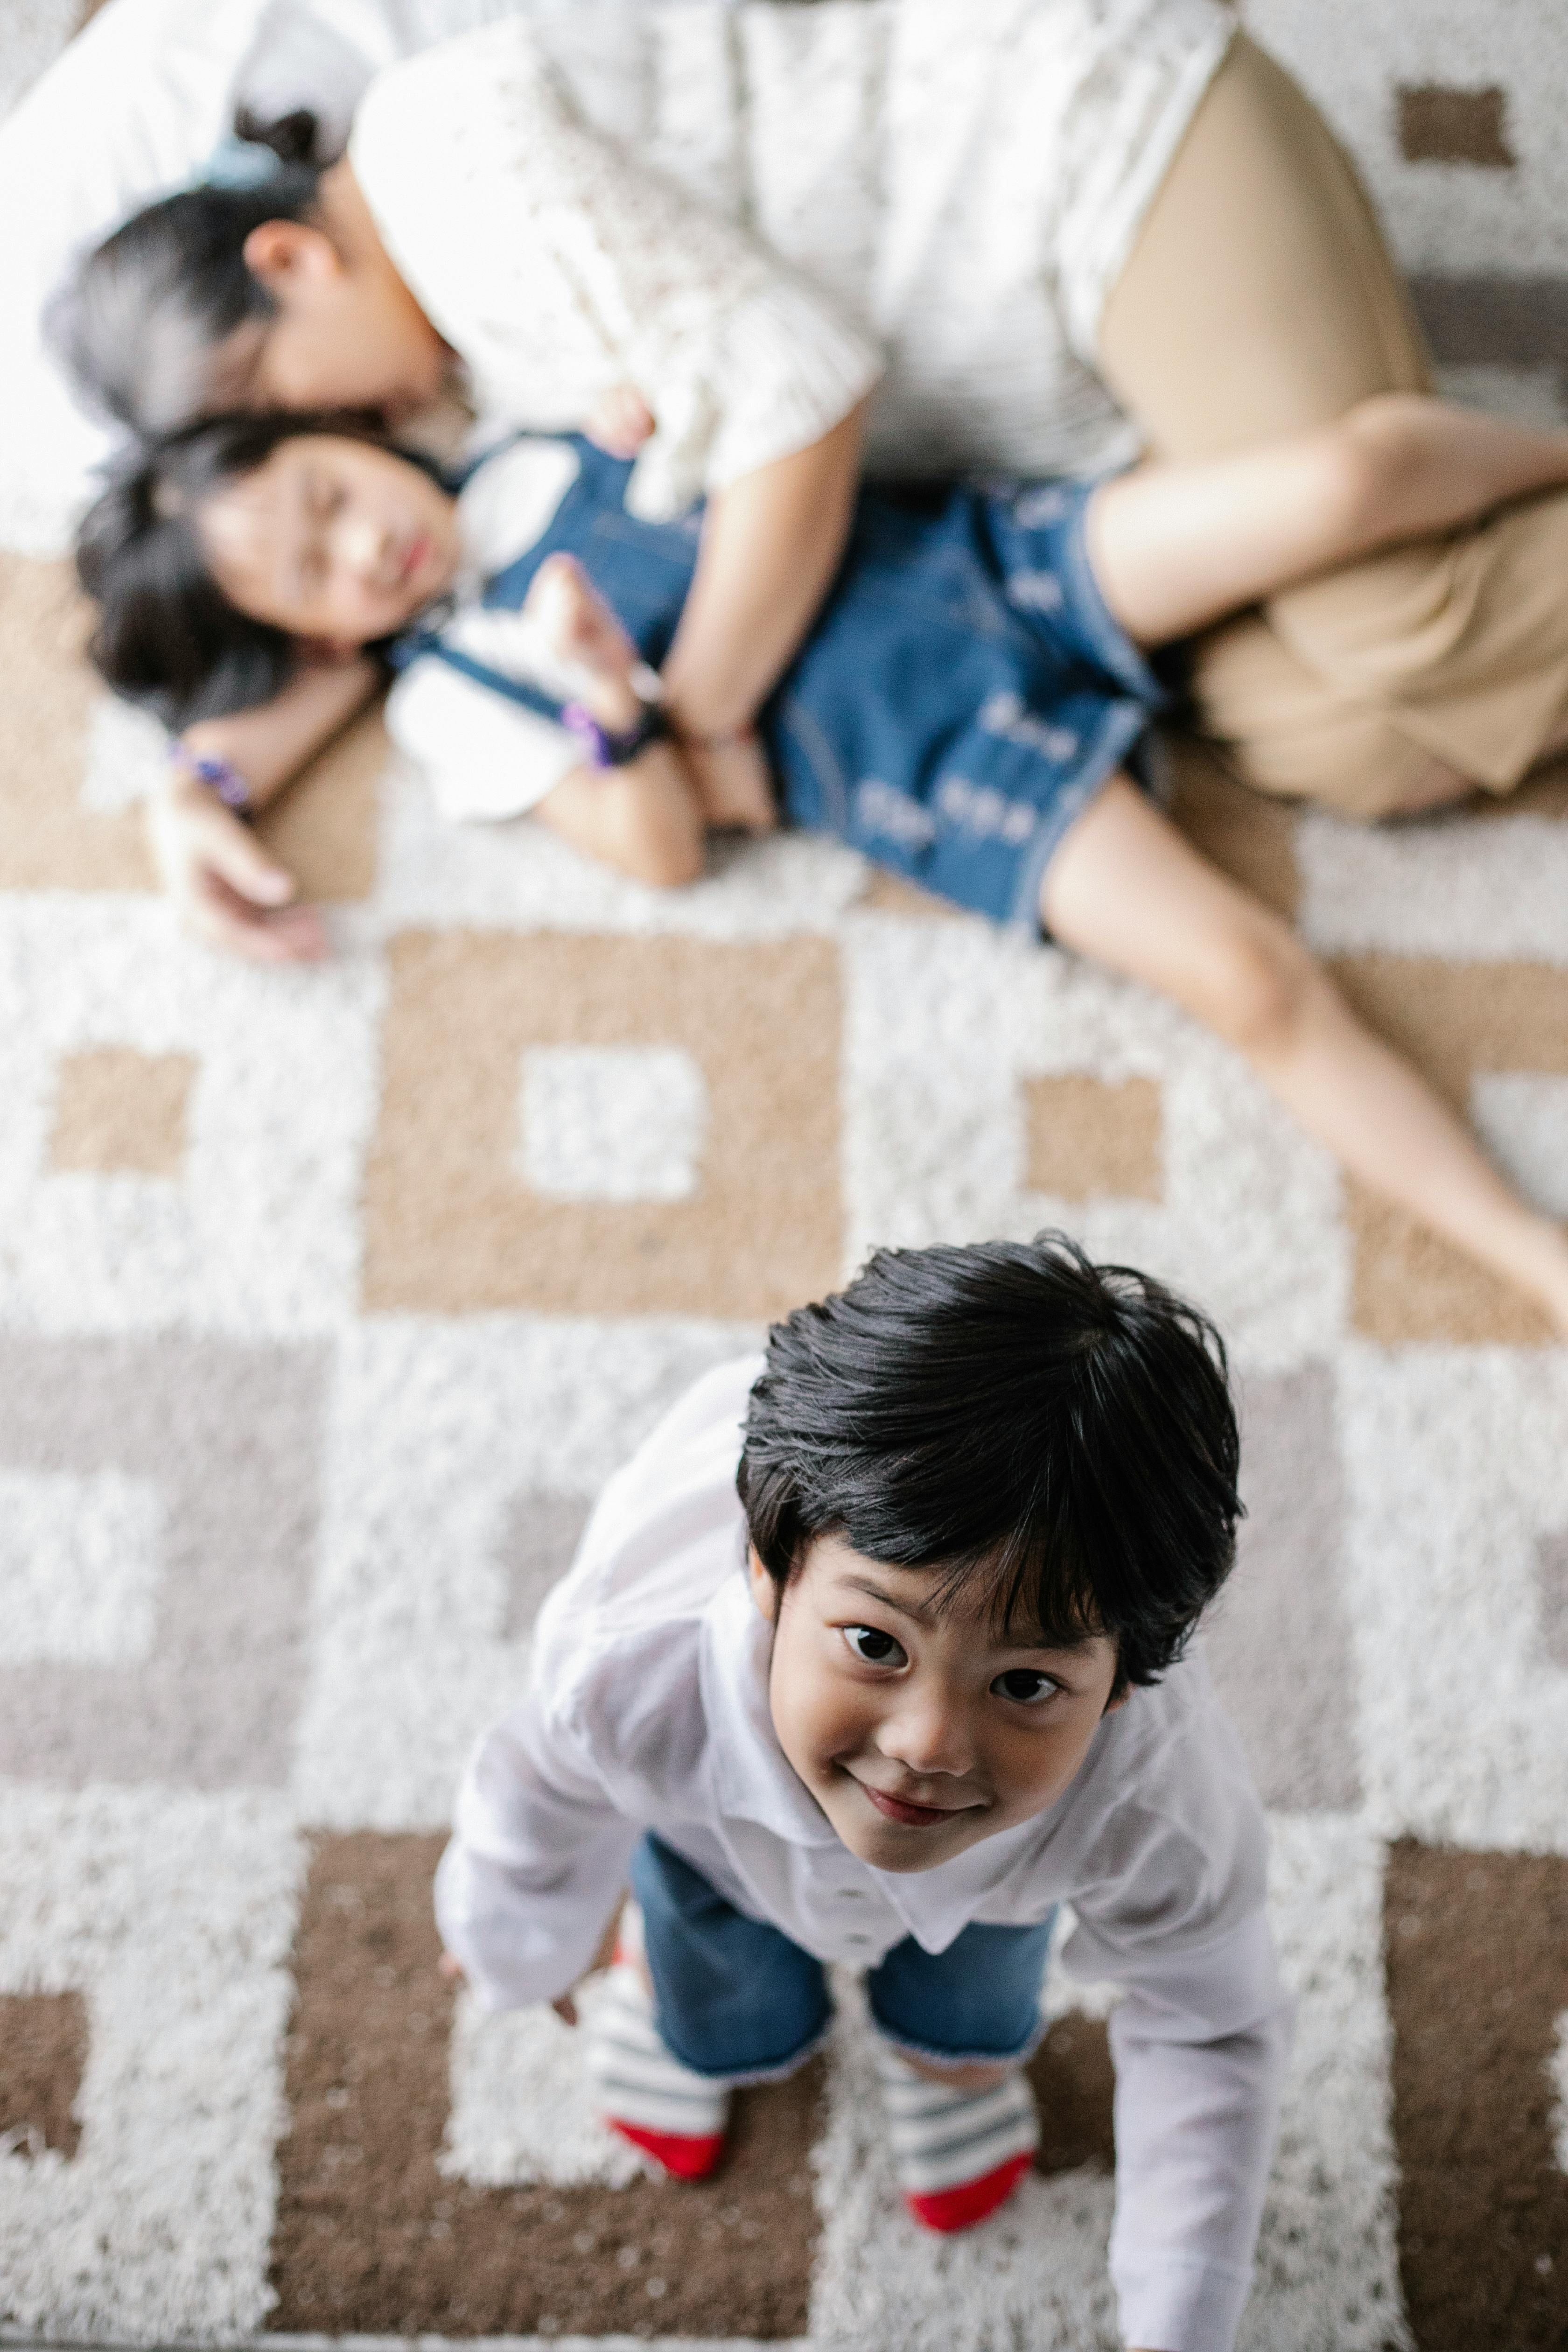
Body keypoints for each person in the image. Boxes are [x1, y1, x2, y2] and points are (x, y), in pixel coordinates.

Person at [74, 391, 1568, 1330]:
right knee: (1253, 979)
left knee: (1347, 480)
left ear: (337, 427)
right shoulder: (451, 694)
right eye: (312, 579)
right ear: (315, 645)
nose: (360, 547)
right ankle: (1532, 1263)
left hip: (992, 559)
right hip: (944, 773)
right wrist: (606, 702)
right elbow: (655, 853)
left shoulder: (525, 401)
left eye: (330, 497)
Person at [56, 0, 1568, 912]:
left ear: (288, 260)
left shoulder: (442, 160)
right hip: (1055, 402)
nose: (333, 445)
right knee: (1347, 739)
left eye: (284, 409)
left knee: (1398, 620)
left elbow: (804, 403)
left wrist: (694, 717)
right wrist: (202, 782)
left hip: (1091, 163)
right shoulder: (431, 382)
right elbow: (346, 598)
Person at [434, 1232, 1288, 2352]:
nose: (929, 1743)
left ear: (1125, 1682)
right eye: (875, 1644)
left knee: (976, 1994)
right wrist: (518, 1936)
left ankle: (955, 2061)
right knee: (720, 1979)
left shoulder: (1158, 1804)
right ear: (767, 1574)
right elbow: (536, 1790)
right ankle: (692, 2017)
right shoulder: (628, 1668)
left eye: (1026, 1682)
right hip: (714, 1849)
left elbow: (1212, 2022)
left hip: (1000, 1889)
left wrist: (1182, 2315)